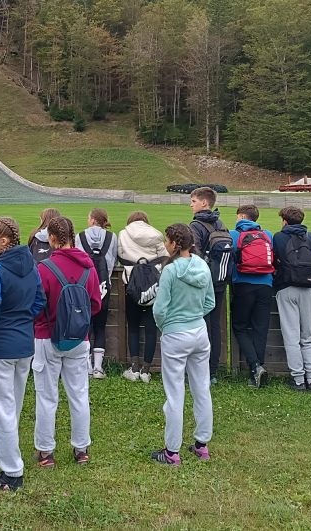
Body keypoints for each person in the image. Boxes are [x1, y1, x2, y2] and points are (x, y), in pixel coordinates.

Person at [0, 217, 45, 492]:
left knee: (1, 407)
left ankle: (12, 472)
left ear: (4, 241)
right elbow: (39, 301)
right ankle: (4, 448)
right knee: (12, 402)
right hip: (23, 344)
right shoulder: (31, 266)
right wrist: (21, 321)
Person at [32, 216, 101, 467]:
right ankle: (81, 448)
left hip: (47, 337)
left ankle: (45, 450)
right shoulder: (89, 267)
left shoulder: (44, 268)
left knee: (47, 396)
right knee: (79, 394)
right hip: (78, 338)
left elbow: (37, 306)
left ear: (51, 238)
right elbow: (95, 304)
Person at [150, 224, 215, 465]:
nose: (164, 245)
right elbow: (210, 302)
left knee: (175, 393)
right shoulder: (203, 265)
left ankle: (172, 451)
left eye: (166, 241)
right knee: (201, 388)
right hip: (199, 331)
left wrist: (167, 326)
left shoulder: (170, 271)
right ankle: (201, 444)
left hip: (176, 333)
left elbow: (159, 308)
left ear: (175, 244)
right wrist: (194, 315)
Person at [272, 206, 311, 391]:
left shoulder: (279, 236)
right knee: (307, 336)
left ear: (284, 220)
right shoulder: (310, 236)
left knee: (291, 336)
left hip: (287, 287)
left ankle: (298, 379)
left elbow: (276, 259)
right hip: (309, 288)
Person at [229, 204, 275, 388]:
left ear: (241, 216)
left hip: (243, 283)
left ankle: (255, 366)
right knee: (260, 328)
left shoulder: (234, 234)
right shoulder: (268, 234)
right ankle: (257, 369)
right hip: (265, 284)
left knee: (240, 326)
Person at [117, 211, 167, 382]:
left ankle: (134, 367)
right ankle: (146, 369)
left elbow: (121, 256)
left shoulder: (124, 234)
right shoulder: (155, 234)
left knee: (133, 327)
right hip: (153, 284)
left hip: (131, 283)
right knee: (151, 328)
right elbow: (165, 256)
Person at [188, 187, 228, 381]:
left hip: (203, 282)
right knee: (215, 326)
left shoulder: (196, 225)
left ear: (204, 203)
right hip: (220, 280)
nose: (191, 204)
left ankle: (200, 371)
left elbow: (193, 254)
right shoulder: (220, 222)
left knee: (200, 325)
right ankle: (212, 371)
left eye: (193, 201)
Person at [75, 208, 116, 379]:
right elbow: (113, 260)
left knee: (85, 325)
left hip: (84, 285)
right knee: (100, 325)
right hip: (104, 285)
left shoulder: (80, 236)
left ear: (92, 220)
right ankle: (98, 368)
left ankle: (85, 366)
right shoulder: (112, 237)